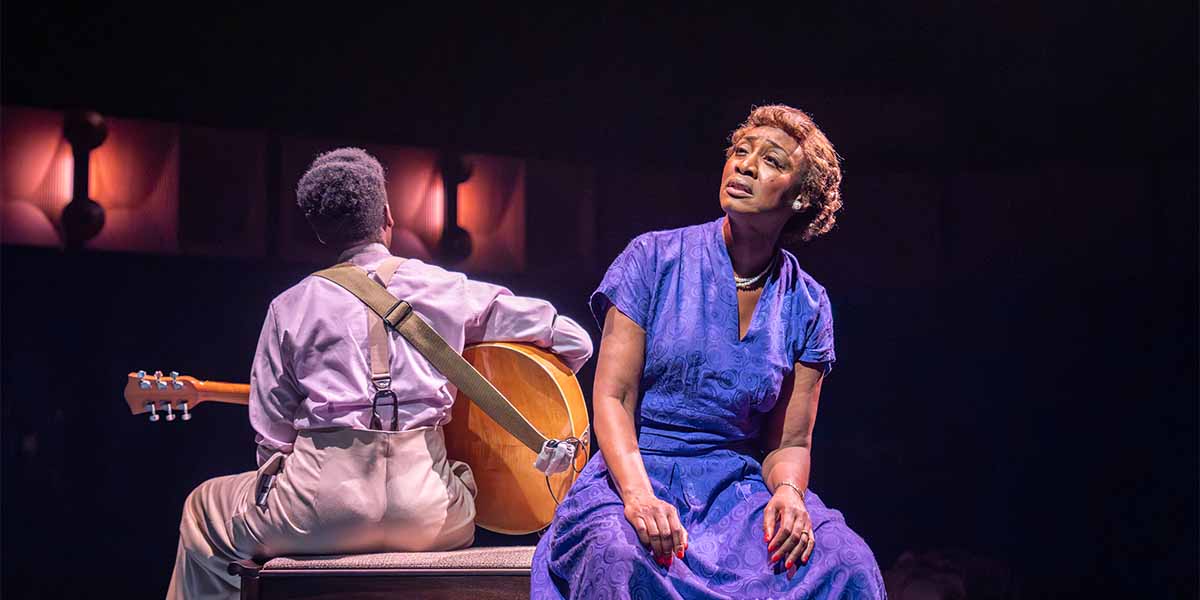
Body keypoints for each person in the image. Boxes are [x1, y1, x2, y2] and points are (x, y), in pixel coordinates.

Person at [167, 148, 593, 600]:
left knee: (202, 508)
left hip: (319, 512)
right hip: (431, 514)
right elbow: (574, 341)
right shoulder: (447, 289)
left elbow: (272, 439)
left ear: (319, 232)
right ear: (387, 215)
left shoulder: (289, 306)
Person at [531, 105, 885, 599]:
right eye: (740, 152)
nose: (745, 165)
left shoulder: (807, 303)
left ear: (800, 197)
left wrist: (787, 493)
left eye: (771, 161)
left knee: (846, 561)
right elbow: (613, 398)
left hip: (733, 489)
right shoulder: (652, 259)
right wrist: (638, 496)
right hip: (634, 470)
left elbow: (790, 443)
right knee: (620, 553)